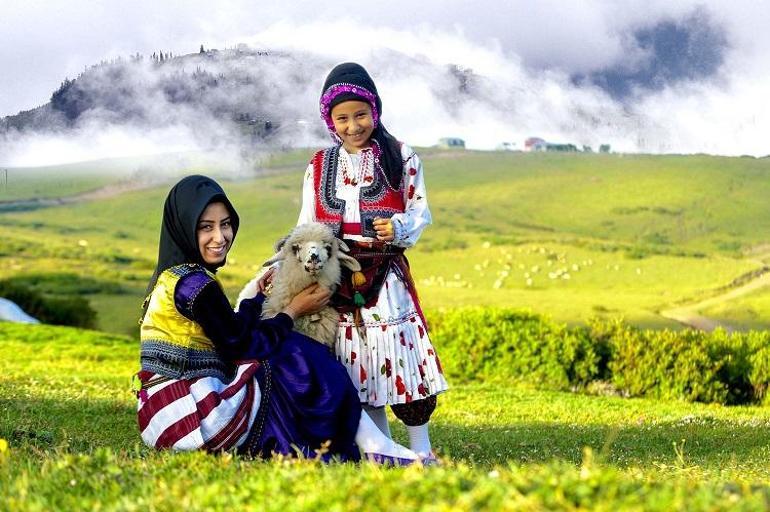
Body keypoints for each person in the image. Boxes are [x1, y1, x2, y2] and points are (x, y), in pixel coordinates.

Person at [136, 175, 417, 464]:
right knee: (293, 350)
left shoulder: (174, 278)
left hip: (161, 416)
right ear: (183, 227)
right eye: (206, 227)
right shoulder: (197, 285)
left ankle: (367, 440)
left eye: (226, 224)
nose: (220, 238)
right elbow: (244, 346)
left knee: (282, 349)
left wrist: (256, 299)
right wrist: (292, 310)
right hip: (194, 416)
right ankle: (373, 444)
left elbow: (229, 332)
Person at [265, 63, 449, 463]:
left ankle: (423, 448)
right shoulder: (318, 165)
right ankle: (386, 451)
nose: (353, 126)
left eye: (361, 115)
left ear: (375, 111)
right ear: (329, 120)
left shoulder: (402, 156)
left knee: (401, 358)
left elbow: (420, 210)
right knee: (359, 364)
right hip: (337, 280)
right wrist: (282, 264)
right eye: (342, 118)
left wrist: (398, 227)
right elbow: (307, 221)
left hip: (386, 278)